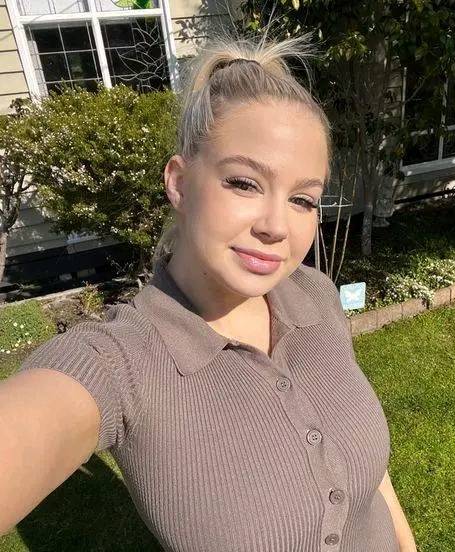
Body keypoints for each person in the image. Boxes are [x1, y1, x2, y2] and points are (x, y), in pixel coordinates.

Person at [0, 33, 417, 551]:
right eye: (244, 183)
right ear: (179, 182)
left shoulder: (316, 295)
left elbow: (375, 480)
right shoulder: (120, 364)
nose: (276, 226)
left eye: (303, 200)